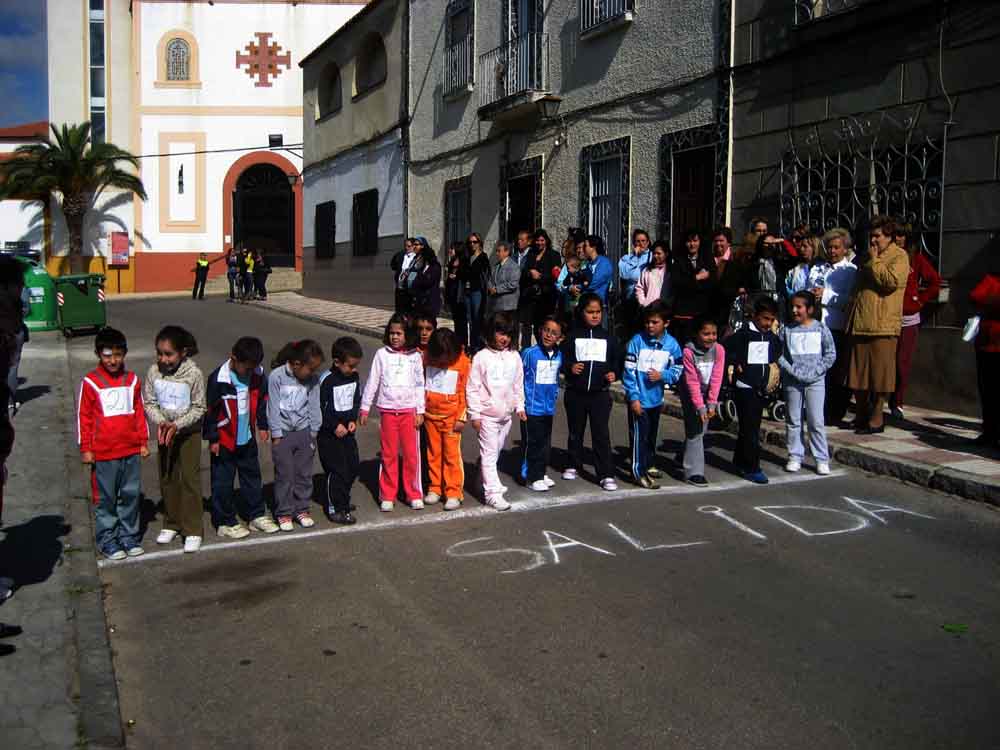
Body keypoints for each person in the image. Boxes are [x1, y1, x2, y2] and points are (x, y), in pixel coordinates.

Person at [77, 327, 150, 559]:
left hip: (130, 450)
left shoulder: (132, 380)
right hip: (104, 453)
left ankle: (129, 535)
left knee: (130, 495)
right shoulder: (91, 382)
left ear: (124, 354)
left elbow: (139, 411)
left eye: (118, 355)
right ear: (99, 354)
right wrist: (86, 448)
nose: (113, 360)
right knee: (106, 498)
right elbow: (84, 417)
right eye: (107, 355)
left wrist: (142, 441)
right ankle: (107, 538)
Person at [204, 336, 278, 539]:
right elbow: (210, 411)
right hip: (225, 440)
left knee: (252, 477)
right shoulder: (219, 379)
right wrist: (213, 438)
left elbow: (263, 401)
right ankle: (224, 521)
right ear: (233, 358)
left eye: (253, 367)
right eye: (246, 367)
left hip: (246, 437)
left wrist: (263, 425)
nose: (249, 371)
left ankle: (256, 515)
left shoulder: (258, 375)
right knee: (223, 482)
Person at [144, 325, 206, 552]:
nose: (163, 358)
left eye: (168, 354)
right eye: (159, 353)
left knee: (189, 478)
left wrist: (177, 425)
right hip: (164, 432)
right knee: (168, 476)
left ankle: (192, 529)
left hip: (188, 433)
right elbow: (149, 403)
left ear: (183, 353)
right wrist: (161, 422)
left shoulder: (194, 375)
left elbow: (199, 408)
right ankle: (171, 522)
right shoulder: (153, 372)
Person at [846, 216, 909, 434]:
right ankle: (861, 412)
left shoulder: (899, 256)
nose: (873, 240)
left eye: (877, 236)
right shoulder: (866, 257)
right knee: (858, 374)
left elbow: (889, 283)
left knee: (881, 375)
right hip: (861, 321)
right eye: (871, 236)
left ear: (889, 237)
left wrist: (875, 261)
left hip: (883, 324)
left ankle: (877, 415)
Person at [360, 314, 426, 511]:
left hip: (409, 412)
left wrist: (420, 410)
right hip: (388, 411)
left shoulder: (415, 356)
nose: (394, 337)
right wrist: (365, 407)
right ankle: (387, 494)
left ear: (408, 335)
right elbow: (373, 381)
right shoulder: (382, 354)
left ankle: (413, 492)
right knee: (389, 454)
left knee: (411, 455)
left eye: (399, 333)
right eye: (391, 333)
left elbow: (419, 384)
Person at [466, 312, 525, 510]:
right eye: (500, 333)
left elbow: (518, 384)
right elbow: (472, 387)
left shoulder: (514, 356)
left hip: (506, 416)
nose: (504, 338)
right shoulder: (481, 357)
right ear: (490, 333)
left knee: (494, 452)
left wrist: (520, 406)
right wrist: (474, 414)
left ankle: (480, 479)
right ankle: (492, 493)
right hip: (487, 417)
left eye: (508, 334)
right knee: (490, 454)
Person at [561, 292, 620, 491]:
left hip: (600, 394)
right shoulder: (573, 336)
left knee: (601, 433)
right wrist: (570, 368)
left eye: (598, 312)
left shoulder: (609, 338)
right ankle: (573, 464)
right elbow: (563, 360)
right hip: (576, 392)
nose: (595, 316)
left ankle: (605, 474)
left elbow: (616, 362)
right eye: (590, 312)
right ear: (582, 312)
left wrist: (614, 373)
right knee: (575, 431)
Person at [623, 301, 683, 489]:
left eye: (655, 322)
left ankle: (648, 463)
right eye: (647, 322)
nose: (650, 326)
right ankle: (638, 472)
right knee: (639, 436)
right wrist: (633, 397)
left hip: (656, 399)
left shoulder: (672, 345)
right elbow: (628, 372)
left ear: (666, 323)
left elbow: (678, 369)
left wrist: (662, 375)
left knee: (650, 435)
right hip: (639, 400)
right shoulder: (636, 341)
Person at [724, 296, 782, 484]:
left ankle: (740, 460)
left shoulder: (771, 336)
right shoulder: (744, 334)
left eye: (771, 319)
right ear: (755, 316)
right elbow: (727, 350)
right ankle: (752, 467)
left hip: (761, 387)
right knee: (751, 430)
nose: (768, 323)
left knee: (751, 426)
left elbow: (775, 354)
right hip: (745, 386)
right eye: (765, 318)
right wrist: (736, 362)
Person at [267, 339, 324, 530]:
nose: (313, 373)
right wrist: (275, 433)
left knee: (304, 473)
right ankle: (284, 511)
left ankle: (301, 508)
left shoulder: (313, 380)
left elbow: (314, 404)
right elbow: (273, 407)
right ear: (297, 364)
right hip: (282, 432)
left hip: (304, 431)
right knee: (285, 474)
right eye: (311, 368)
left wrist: (314, 430)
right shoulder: (277, 377)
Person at [779, 291, 836, 475]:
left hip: (815, 382)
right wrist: (792, 371)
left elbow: (830, 354)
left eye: (799, 307)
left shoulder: (821, 329)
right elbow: (778, 354)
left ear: (810, 309)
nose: (795, 310)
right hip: (792, 381)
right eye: (792, 307)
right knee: (793, 420)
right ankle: (795, 456)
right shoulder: (786, 329)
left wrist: (817, 371)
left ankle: (821, 458)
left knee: (816, 420)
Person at [890, 226, 941, 419]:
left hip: (908, 320)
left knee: (902, 363)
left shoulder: (916, 258)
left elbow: (935, 281)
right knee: (886, 362)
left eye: (901, 235)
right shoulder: (886, 257)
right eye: (895, 234)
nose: (898, 238)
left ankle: (898, 402)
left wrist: (918, 300)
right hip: (887, 317)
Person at [318, 337, 364, 525]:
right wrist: (333, 424)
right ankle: (336, 507)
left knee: (352, 467)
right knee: (338, 470)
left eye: (355, 366)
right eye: (350, 366)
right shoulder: (326, 381)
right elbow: (320, 407)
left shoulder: (354, 377)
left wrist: (352, 419)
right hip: (330, 434)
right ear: (337, 362)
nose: (353, 370)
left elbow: (355, 400)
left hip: (348, 432)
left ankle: (343, 499)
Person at [424, 328, 470, 510]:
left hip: (451, 419)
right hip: (430, 417)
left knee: (451, 456)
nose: (442, 362)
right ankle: (435, 488)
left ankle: (453, 492)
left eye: (446, 358)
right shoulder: (426, 358)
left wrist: (462, 417)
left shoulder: (463, 363)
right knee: (433, 454)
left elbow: (465, 392)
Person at [678, 315, 726, 486]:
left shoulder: (719, 350)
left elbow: (717, 377)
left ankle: (684, 453)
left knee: (702, 428)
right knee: (696, 430)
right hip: (691, 392)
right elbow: (691, 382)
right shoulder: (688, 352)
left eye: (714, 334)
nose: (711, 338)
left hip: (708, 391)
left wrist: (712, 403)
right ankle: (693, 472)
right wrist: (700, 406)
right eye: (706, 334)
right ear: (696, 334)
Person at [820, 228, 859, 426]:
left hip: (836, 327)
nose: (832, 251)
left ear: (845, 249)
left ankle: (835, 412)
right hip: (817, 327)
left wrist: (825, 296)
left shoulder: (850, 271)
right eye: (829, 247)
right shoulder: (820, 268)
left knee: (836, 373)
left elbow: (850, 300)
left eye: (837, 247)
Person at [520, 316, 563, 492]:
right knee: (533, 442)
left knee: (545, 442)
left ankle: (540, 471)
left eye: (554, 333)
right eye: (546, 330)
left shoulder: (559, 355)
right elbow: (519, 378)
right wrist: (520, 404)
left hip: (548, 408)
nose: (548, 335)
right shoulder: (529, 353)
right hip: (531, 407)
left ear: (559, 337)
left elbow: (556, 380)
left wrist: (554, 396)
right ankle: (531, 476)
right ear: (540, 330)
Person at [970, 268, 1000, 447]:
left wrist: (990, 303)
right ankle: (989, 431)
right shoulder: (991, 278)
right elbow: (975, 296)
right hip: (986, 345)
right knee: (987, 391)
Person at [669, 229, 716, 344]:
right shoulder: (679, 261)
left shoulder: (707, 259)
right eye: (689, 241)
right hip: (684, 312)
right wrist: (697, 278)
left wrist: (692, 282)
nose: (692, 244)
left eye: (695, 241)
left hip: (703, 310)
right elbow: (677, 283)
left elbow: (712, 281)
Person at [518, 229, 561, 346]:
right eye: (537, 240)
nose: (539, 243)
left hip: (546, 297)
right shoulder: (530, 254)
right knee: (528, 325)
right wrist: (530, 273)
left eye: (542, 240)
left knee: (544, 325)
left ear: (546, 241)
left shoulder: (554, 255)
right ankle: (528, 351)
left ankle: (547, 348)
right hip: (530, 296)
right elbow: (523, 272)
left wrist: (540, 276)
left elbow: (556, 276)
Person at [619, 229, 652, 332]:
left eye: (643, 241)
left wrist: (635, 275)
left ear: (648, 242)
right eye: (638, 241)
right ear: (634, 243)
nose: (641, 244)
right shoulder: (626, 258)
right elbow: (625, 274)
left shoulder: (652, 257)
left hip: (647, 298)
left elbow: (639, 276)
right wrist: (635, 258)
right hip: (630, 299)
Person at [461, 233, 489, 353]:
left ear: (479, 243)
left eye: (475, 242)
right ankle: (472, 346)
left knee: (478, 319)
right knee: (470, 320)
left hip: (477, 291)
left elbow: (485, 276)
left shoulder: (483, 257)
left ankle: (478, 346)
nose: (472, 244)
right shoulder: (467, 257)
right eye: (470, 242)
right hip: (467, 291)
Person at [784, 235, 832, 304]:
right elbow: (789, 289)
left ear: (814, 248)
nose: (801, 249)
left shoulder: (825, 268)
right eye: (801, 246)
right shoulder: (796, 269)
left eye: (805, 246)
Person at [581, 235, 614, 327]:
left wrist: (579, 286)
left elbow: (594, 283)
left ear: (593, 247)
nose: (583, 249)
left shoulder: (604, 262)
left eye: (585, 246)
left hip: (599, 307)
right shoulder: (587, 264)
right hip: (586, 306)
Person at [407, 237, 443, 319]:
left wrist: (416, 277)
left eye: (416, 244)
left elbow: (427, 281)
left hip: (429, 300)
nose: (414, 247)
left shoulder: (434, 266)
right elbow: (410, 278)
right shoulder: (416, 262)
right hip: (417, 298)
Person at [513, 229, 535, 349]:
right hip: (515, 293)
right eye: (518, 240)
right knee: (515, 323)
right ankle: (514, 347)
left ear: (528, 242)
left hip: (527, 293)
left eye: (522, 240)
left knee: (527, 323)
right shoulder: (514, 255)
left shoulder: (532, 255)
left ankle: (526, 348)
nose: (519, 242)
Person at [635, 240, 670, 311]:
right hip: (649, 309)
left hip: (665, 310)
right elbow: (639, 288)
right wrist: (643, 303)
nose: (655, 256)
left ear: (666, 254)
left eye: (659, 253)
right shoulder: (647, 270)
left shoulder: (671, 271)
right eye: (654, 253)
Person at [487, 241, 520, 315]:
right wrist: (490, 288)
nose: (497, 253)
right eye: (496, 251)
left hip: (508, 306)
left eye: (499, 251)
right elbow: (490, 280)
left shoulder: (514, 267)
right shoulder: (496, 266)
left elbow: (513, 284)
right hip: (495, 305)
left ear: (507, 252)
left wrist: (496, 289)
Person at [444, 242, 466, 347]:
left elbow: (464, 277)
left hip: (460, 295)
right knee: (456, 320)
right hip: (452, 294)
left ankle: (463, 343)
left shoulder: (464, 261)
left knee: (462, 321)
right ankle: (457, 341)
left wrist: (456, 276)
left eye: (452, 249)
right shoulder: (451, 262)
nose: (450, 251)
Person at [391, 238, 419, 314]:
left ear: (414, 246)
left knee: (409, 310)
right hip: (399, 287)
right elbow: (393, 265)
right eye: (405, 246)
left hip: (409, 288)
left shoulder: (417, 257)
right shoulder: (401, 255)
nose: (407, 248)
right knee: (399, 309)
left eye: (409, 246)